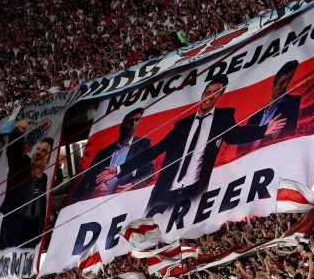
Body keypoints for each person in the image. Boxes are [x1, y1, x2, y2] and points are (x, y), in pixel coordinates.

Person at [96, 75, 286, 211]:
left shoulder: (223, 117)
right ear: (202, 94)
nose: (210, 96)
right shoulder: (183, 124)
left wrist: (263, 130)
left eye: (216, 93)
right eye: (208, 92)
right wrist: (120, 169)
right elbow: (155, 150)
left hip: (194, 192)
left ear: (220, 95)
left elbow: (235, 135)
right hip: (164, 192)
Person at [71, 108, 154, 203]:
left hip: (126, 204)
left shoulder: (142, 144)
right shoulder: (102, 154)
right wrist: (92, 193)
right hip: (101, 205)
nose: (133, 124)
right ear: (121, 123)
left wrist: (132, 185)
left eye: (137, 120)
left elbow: (150, 172)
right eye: (129, 120)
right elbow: (77, 194)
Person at [0, 120, 53, 251]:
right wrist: (18, 132)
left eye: (44, 151)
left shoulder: (45, 179)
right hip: (13, 228)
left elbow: (42, 205)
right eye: (37, 149)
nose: (39, 152)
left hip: (32, 232)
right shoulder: (20, 166)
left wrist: (40, 234)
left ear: (48, 161)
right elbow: (13, 152)